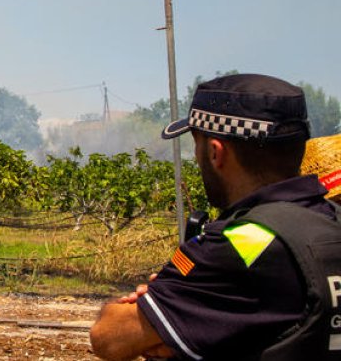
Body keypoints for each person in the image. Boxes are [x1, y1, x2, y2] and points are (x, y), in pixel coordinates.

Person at [89, 73, 341, 361]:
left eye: (195, 147)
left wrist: (164, 307)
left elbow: (110, 337)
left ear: (215, 152)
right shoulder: (333, 219)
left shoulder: (237, 243)